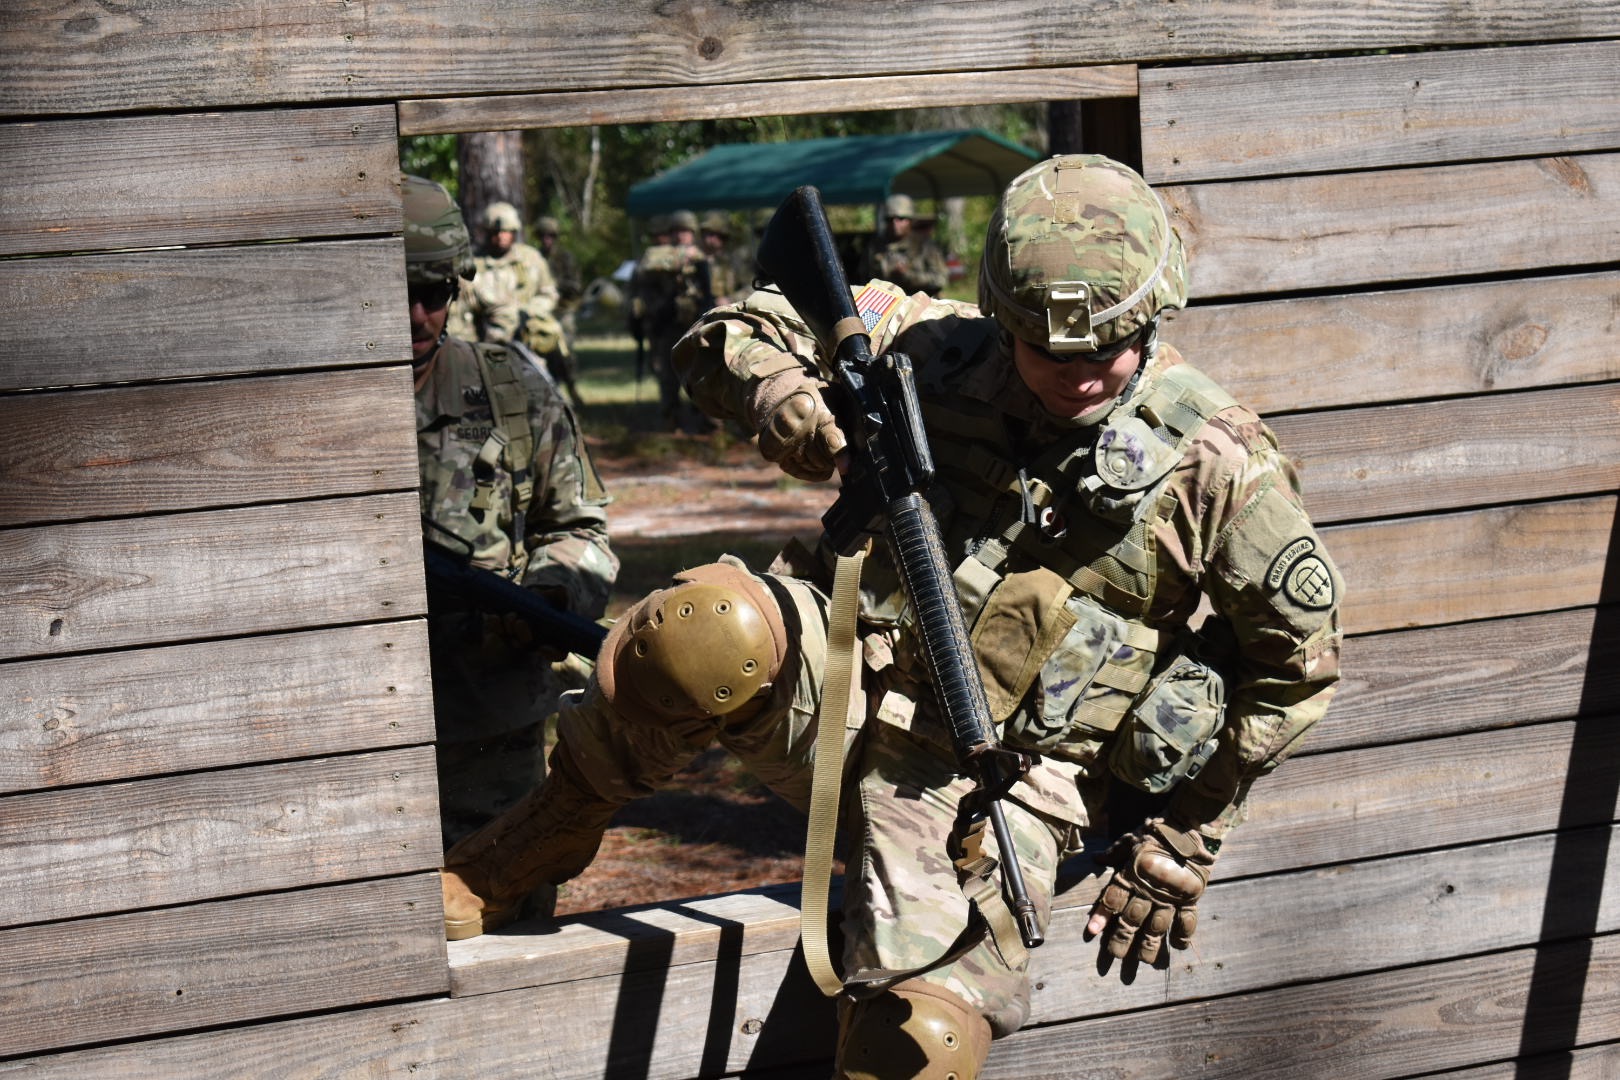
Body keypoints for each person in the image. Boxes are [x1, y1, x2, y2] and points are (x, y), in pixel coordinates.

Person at [438, 155, 1342, 1078]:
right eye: (1043, 352)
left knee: (919, 1048)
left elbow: (1297, 665)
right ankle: (532, 841)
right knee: (705, 627)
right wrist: (778, 394)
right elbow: (733, 330)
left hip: (997, 783)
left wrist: (1181, 837)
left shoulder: (1217, 463)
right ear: (1001, 318)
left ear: (1155, 316)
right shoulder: (930, 343)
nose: (1074, 378)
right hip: (840, 687)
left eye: (1101, 353)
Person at [404, 175, 619, 853]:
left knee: (504, 913)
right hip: (332, 733)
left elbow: (581, 528)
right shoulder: (294, 403)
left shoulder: (509, 393)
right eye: (392, 294)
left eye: (433, 294)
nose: (414, 316)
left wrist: (550, 593)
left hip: (487, 727)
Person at [627, 208, 713, 431]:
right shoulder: (659, 256)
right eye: (676, 231)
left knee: (701, 374)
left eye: (685, 231)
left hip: (695, 324)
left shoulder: (701, 258)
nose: (681, 236)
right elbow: (646, 273)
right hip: (669, 325)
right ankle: (670, 420)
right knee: (668, 376)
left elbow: (707, 291)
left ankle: (706, 421)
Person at [864, 192, 949, 297]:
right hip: (886, 302)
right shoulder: (876, 246)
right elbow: (864, 277)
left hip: (922, 303)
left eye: (901, 218)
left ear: (910, 221)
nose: (895, 223)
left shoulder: (925, 245)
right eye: (890, 219)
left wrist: (909, 276)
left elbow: (940, 279)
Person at [699, 210, 750, 306]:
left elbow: (752, 287)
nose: (710, 239)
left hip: (728, 311)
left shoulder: (734, 261)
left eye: (716, 235)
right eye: (708, 234)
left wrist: (730, 299)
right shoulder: (696, 260)